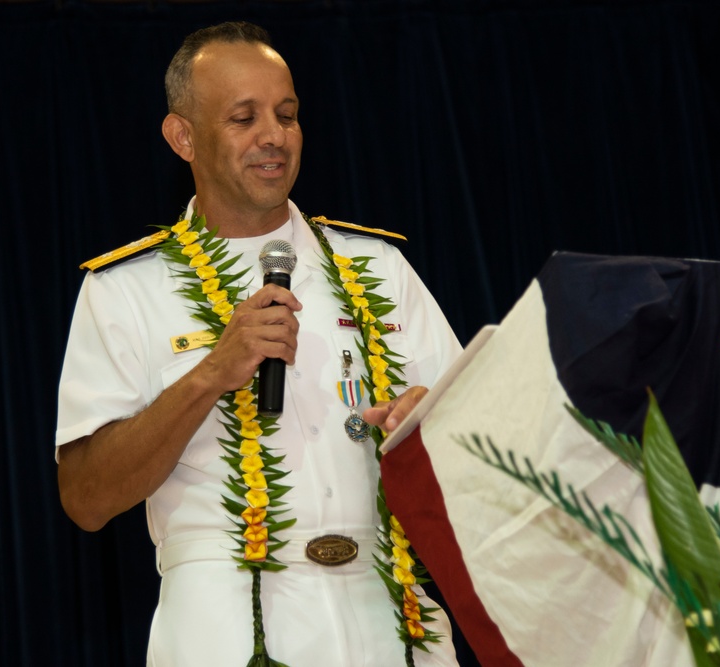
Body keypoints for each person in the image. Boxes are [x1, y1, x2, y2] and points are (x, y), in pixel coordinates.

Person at [55, 21, 463, 667]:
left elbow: (479, 447)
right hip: (226, 620)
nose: (273, 136)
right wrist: (210, 374)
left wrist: (428, 423)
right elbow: (86, 497)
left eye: (287, 114)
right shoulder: (127, 288)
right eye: (244, 118)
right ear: (183, 136)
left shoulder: (378, 265)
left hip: (392, 613)